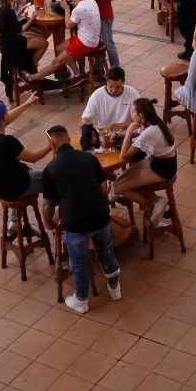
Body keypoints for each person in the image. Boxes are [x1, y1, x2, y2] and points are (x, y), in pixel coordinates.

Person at [40, 124, 122, 314]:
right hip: (100, 216)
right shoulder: (89, 158)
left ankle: (81, 300)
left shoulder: (50, 169)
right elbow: (103, 189)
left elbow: (48, 204)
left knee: (78, 263)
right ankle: (115, 289)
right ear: (69, 140)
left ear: (52, 144)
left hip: (76, 223)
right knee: (106, 251)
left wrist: (47, 223)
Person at [0, 96, 49, 209]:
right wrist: (51, 146)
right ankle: (58, 216)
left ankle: (14, 221)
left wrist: (27, 104)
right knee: (52, 178)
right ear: (3, 118)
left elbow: (8, 118)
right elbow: (34, 157)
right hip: (13, 189)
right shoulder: (7, 142)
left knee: (10, 174)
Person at [114, 98, 179, 219]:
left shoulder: (150, 132)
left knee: (119, 188)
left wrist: (128, 131)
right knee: (121, 178)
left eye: (133, 112)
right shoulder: (153, 123)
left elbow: (124, 155)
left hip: (163, 169)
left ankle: (151, 205)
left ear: (141, 115)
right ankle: (156, 199)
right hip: (159, 161)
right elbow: (136, 133)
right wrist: (116, 134)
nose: (131, 115)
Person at [22, 0, 99, 85]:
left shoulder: (78, 9)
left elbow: (68, 25)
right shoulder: (92, 1)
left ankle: (31, 78)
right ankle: (77, 75)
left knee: (56, 61)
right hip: (89, 37)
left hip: (86, 42)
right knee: (59, 49)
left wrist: (67, 10)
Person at [59, 0, 122, 68]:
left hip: (104, 17)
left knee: (108, 44)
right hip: (90, 18)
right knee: (96, 44)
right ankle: (98, 67)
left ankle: (115, 68)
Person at [80, 66, 139, 149]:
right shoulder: (97, 95)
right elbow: (86, 117)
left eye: (118, 87)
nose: (114, 90)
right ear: (106, 81)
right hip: (105, 136)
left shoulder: (132, 94)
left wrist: (121, 125)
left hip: (126, 134)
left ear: (124, 82)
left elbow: (140, 121)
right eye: (110, 86)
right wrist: (86, 125)